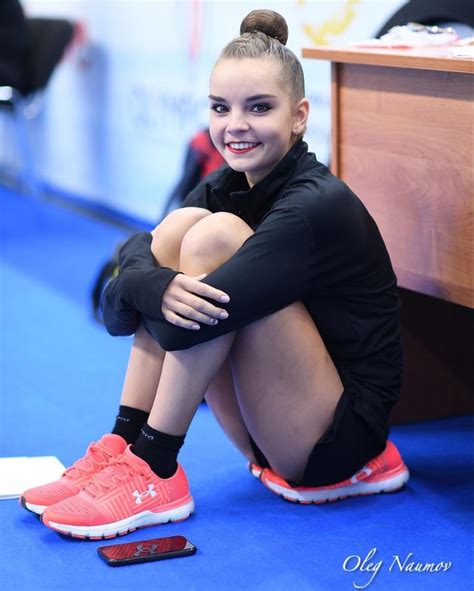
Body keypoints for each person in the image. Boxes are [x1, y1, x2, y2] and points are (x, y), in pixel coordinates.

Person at [21, 9, 409, 539]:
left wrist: (143, 284)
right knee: (185, 225)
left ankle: (156, 465)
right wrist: (146, 280)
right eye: (221, 108)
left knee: (212, 237)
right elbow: (116, 306)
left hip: (334, 440)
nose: (235, 126)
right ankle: (126, 442)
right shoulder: (227, 183)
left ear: (299, 116)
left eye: (259, 108)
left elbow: (177, 325)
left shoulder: (313, 205)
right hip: (270, 428)